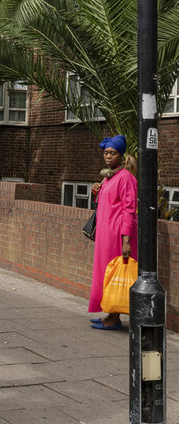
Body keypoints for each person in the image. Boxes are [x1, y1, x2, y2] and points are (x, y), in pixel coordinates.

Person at [88, 135, 138, 330]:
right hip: (105, 235)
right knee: (105, 274)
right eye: (106, 153)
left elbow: (129, 210)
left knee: (114, 275)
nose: (108, 156)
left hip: (117, 236)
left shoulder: (126, 178)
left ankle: (114, 318)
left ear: (120, 154)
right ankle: (109, 313)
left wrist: (126, 240)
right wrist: (96, 193)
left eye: (112, 153)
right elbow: (107, 204)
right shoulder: (109, 176)